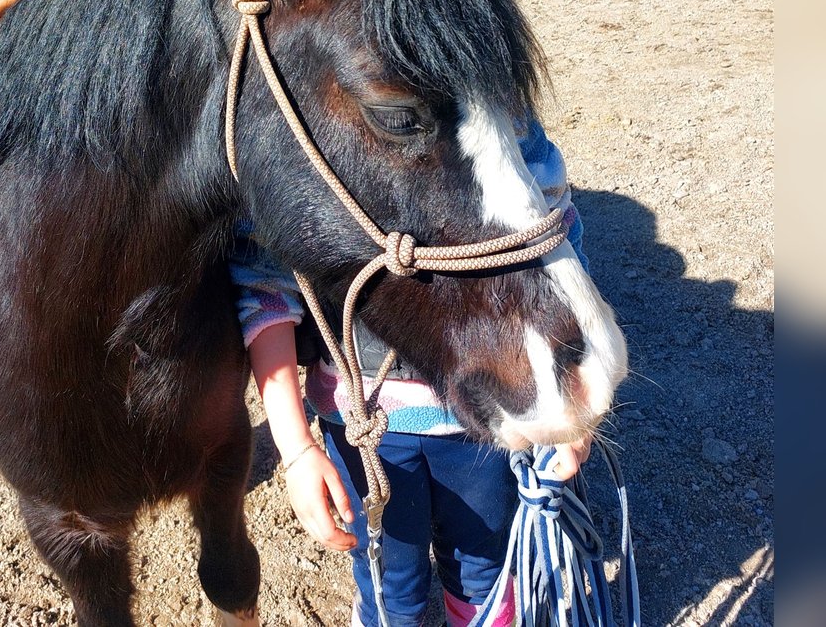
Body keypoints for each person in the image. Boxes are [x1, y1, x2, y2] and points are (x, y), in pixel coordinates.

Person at [231, 117, 592, 627]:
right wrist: (295, 448)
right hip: (362, 424)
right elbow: (267, 282)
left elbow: (554, 235)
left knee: (483, 567)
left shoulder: (495, 111)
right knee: (387, 578)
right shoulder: (302, 124)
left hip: (485, 419)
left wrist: (566, 407)